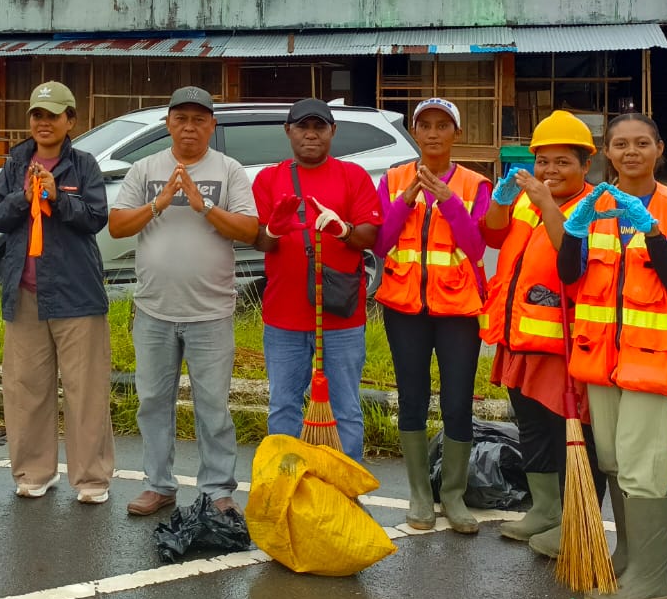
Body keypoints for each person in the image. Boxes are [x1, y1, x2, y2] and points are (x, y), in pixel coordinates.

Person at [558, 114, 667, 599]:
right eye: (620, 144)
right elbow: (570, 277)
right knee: (614, 464)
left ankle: (653, 581)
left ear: (660, 149)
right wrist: (574, 231)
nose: (631, 151)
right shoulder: (594, 206)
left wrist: (653, 232)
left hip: (650, 361)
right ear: (607, 153)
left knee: (643, 471)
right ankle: (628, 555)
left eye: (642, 143)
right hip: (601, 360)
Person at [108, 86, 259, 517]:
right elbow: (118, 226)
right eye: (181, 119)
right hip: (154, 309)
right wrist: (158, 203)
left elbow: (249, 230)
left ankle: (217, 489)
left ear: (212, 124)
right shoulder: (145, 169)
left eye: (199, 119)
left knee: (213, 406)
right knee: (153, 402)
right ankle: (159, 485)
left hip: (211, 312)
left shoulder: (230, 170)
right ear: (168, 123)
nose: (189, 127)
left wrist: (204, 206)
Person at [0, 82, 114, 502]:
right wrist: (24, 198)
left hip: (77, 296)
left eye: (54, 115)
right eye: (38, 114)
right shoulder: (16, 162)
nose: (44, 122)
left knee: (85, 392)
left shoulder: (84, 165)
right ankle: (35, 472)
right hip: (26, 294)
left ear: (71, 120)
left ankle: (91, 479)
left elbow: (96, 218)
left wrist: (57, 198)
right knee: (25, 390)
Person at [482, 110, 602, 554]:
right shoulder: (526, 203)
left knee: (566, 430)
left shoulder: (594, 205)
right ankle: (545, 509)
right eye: (543, 161)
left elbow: (572, 257)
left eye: (563, 162)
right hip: (519, 338)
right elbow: (494, 236)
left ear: (585, 165)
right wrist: (500, 199)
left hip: (562, 344)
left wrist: (545, 201)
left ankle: (574, 519)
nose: (550, 171)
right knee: (530, 426)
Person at [372, 97, 491, 533]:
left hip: (458, 308)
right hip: (404, 307)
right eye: (426, 125)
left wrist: (447, 201)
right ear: (415, 133)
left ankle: (454, 497)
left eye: (444, 126)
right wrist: (406, 200)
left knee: (458, 402)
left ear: (456, 134)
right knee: (413, 400)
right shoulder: (394, 179)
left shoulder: (476, 184)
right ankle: (421, 496)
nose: (434, 133)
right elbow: (381, 243)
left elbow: (477, 248)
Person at [251, 97, 381, 460]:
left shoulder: (352, 176)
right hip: (283, 319)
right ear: (288, 131)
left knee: (346, 410)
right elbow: (259, 239)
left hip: (341, 318)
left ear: (333, 131)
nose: (311, 134)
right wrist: (274, 230)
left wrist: (344, 230)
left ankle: (344, 488)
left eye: (319, 127)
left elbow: (369, 235)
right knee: (283, 408)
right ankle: (287, 481)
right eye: (303, 127)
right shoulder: (268, 179)